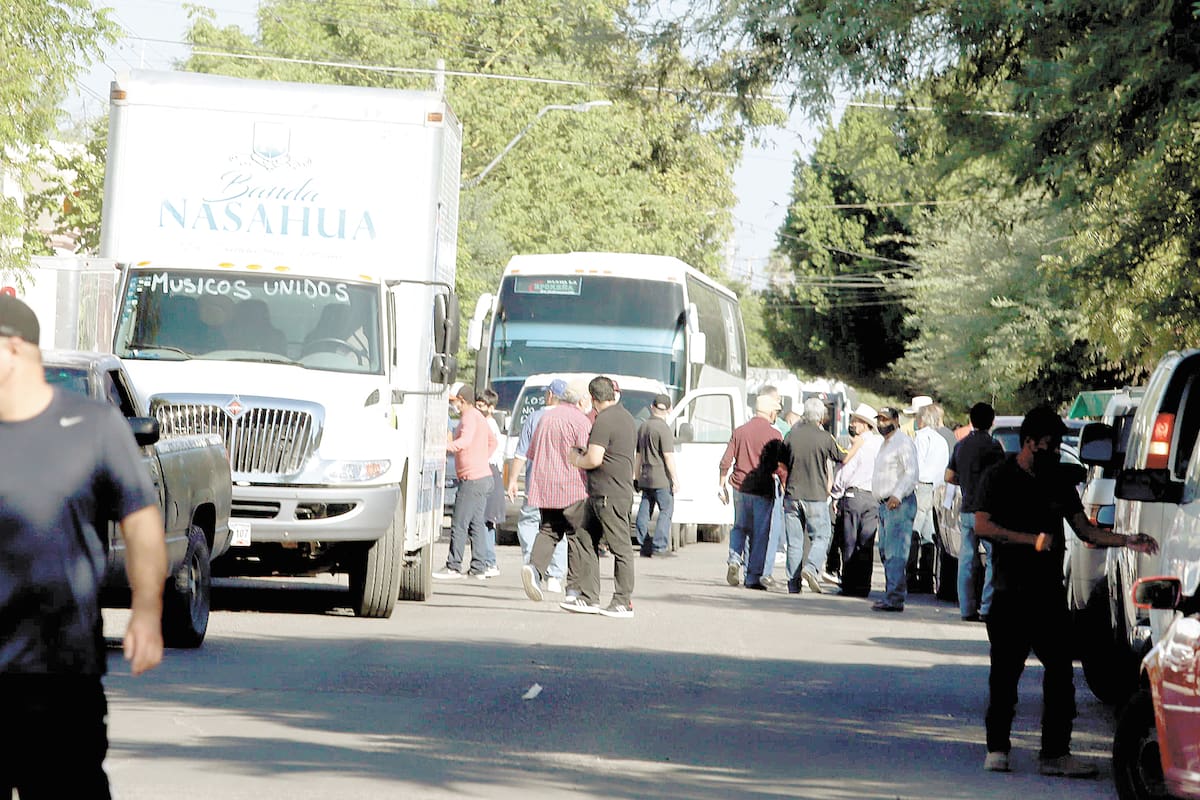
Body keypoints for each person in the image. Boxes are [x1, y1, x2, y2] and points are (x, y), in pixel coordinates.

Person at [0, 295, 168, 798]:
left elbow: (141, 524)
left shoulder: (94, 426)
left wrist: (146, 610)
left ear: (12, 349)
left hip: (60, 677)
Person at [974, 405, 1159, 777]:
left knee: (1060, 673)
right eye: (1050, 444)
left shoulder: (1057, 480)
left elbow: (1085, 530)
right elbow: (982, 525)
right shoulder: (998, 477)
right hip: (1010, 594)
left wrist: (1127, 540)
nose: (1056, 451)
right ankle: (997, 749)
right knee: (1004, 675)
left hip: (1048, 597)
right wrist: (1029, 540)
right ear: (1030, 443)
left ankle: (1055, 753)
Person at [569, 376, 638, 618]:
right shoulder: (627, 418)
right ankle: (589, 597)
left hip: (608, 494)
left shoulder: (604, 420)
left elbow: (595, 458)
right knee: (585, 537)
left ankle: (622, 601)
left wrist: (576, 459)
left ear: (593, 398)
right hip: (609, 492)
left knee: (620, 548)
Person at [520, 382, 594, 609]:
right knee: (577, 535)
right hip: (572, 485)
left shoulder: (544, 418)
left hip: (544, 484)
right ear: (580, 402)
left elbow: (531, 452)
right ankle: (572, 589)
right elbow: (586, 451)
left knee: (549, 530)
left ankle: (534, 568)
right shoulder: (580, 420)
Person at [506, 380, 570, 594]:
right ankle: (556, 575)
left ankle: (533, 567)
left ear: (551, 395)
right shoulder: (571, 419)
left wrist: (513, 479)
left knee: (530, 521)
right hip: (562, 484)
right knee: (557, 527)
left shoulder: (535, 417)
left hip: (537, 482)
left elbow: (521, 453)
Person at [946, 402, 1006, 621]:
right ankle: (987, 607)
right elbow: (1001, 476)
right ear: (991, 422)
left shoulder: (960, 446)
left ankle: (966, 608)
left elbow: (948, 477)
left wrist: (965, 481)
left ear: (971, 420)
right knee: (992, 559)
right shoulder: (994, 447)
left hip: (966, 509)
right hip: (988, 511)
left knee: (966, 559)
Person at [719, 387, 784, 588]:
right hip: (763, 490)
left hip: (739, 488)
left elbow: (725, 461)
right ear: (771, 412)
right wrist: (784, 484)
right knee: (760, 533)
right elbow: (780, 467)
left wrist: (721, 483)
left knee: (739, 526)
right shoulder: (775, 435)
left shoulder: (739, 431)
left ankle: (734, 559)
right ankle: (752, 577)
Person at [435, 384, 497, 580]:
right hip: (483, 477)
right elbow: (493, 442)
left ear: (463, 400)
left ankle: (453, 565)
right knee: (476, 523)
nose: (454, 406)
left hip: (472, 479)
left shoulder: (469, 417)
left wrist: (444, 447)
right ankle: (479, 566)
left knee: (459, 522)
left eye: (455, 402)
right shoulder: (479, 416)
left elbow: (465, 441)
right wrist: (481, 458)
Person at [782, 397, 843, 594]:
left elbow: (781, 463)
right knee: (822, 535)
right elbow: (841, 456)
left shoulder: (791, 435)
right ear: (822, 416)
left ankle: (793, 583)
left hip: (792, 495)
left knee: (794, 542)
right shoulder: (825, 437)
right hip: (815, 496)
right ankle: (811, 568)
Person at [831, 403, 883, 597]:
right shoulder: (880, 444)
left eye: (855, 421)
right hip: (873, 498)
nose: (852, 424)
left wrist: (836, 493)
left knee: (850, 541)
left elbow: (846, 471)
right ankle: (863, 586)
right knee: (867, 542)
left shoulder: (858, 444)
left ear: (864, 425)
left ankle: (849, 584)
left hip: (853, 496)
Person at [871, 406, 919, 612]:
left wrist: (897, 495)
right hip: (884, 504)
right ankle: (892, 594)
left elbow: (911, 473)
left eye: (886, 419)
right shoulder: (886, 444)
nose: (882, 423)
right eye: (879, 419)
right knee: (885, 551)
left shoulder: (903, 442)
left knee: (895, 551)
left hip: (898, 503)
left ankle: (895, 597)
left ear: (896, 420)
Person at [909, 403, 950, 593]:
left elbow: (915, 466)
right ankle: (927, 579)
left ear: (923, 419)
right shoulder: (941, 440)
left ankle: (910, 577)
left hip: (922, 487)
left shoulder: (921, 437)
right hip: (937, 488)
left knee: (914, 533)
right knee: (929, 535)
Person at [634, 393, 679, 557]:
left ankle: (644, 545)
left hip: (645, 477)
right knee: (666, 509)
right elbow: (668, 456)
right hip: (661, 478)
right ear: (669, 410)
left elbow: (638, 456)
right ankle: (659, 546)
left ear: (652, 407)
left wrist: (636, 477)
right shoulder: (664, 429)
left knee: (645, 510)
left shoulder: (643, 427)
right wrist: (675, 479)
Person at [476, 387, 505, 578]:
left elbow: (491, 449)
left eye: (482, 405)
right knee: (485, 520)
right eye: (477, 404)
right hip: (490, 471)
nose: (479, 408)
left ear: (491, 408)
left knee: (486, 519)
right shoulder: (486, 423)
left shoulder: (489, 425)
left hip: (489, 472)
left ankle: (489, 561)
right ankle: (488, 560)